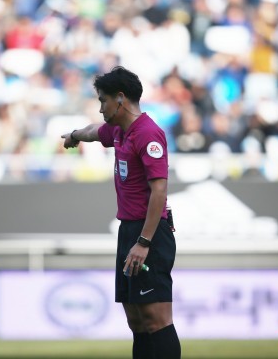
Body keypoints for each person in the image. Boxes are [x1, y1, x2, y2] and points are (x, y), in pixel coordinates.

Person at [61, 66, 180, 359]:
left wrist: (144, 242)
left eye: (103, 100)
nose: (100, 108)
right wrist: (75, 135)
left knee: (156, 319)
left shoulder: (148, 134)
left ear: (121, 99)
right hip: (129, 230)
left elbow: (159, 192)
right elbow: (93, 131)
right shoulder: (119, 130)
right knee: (137, 321)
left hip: (148, 234)